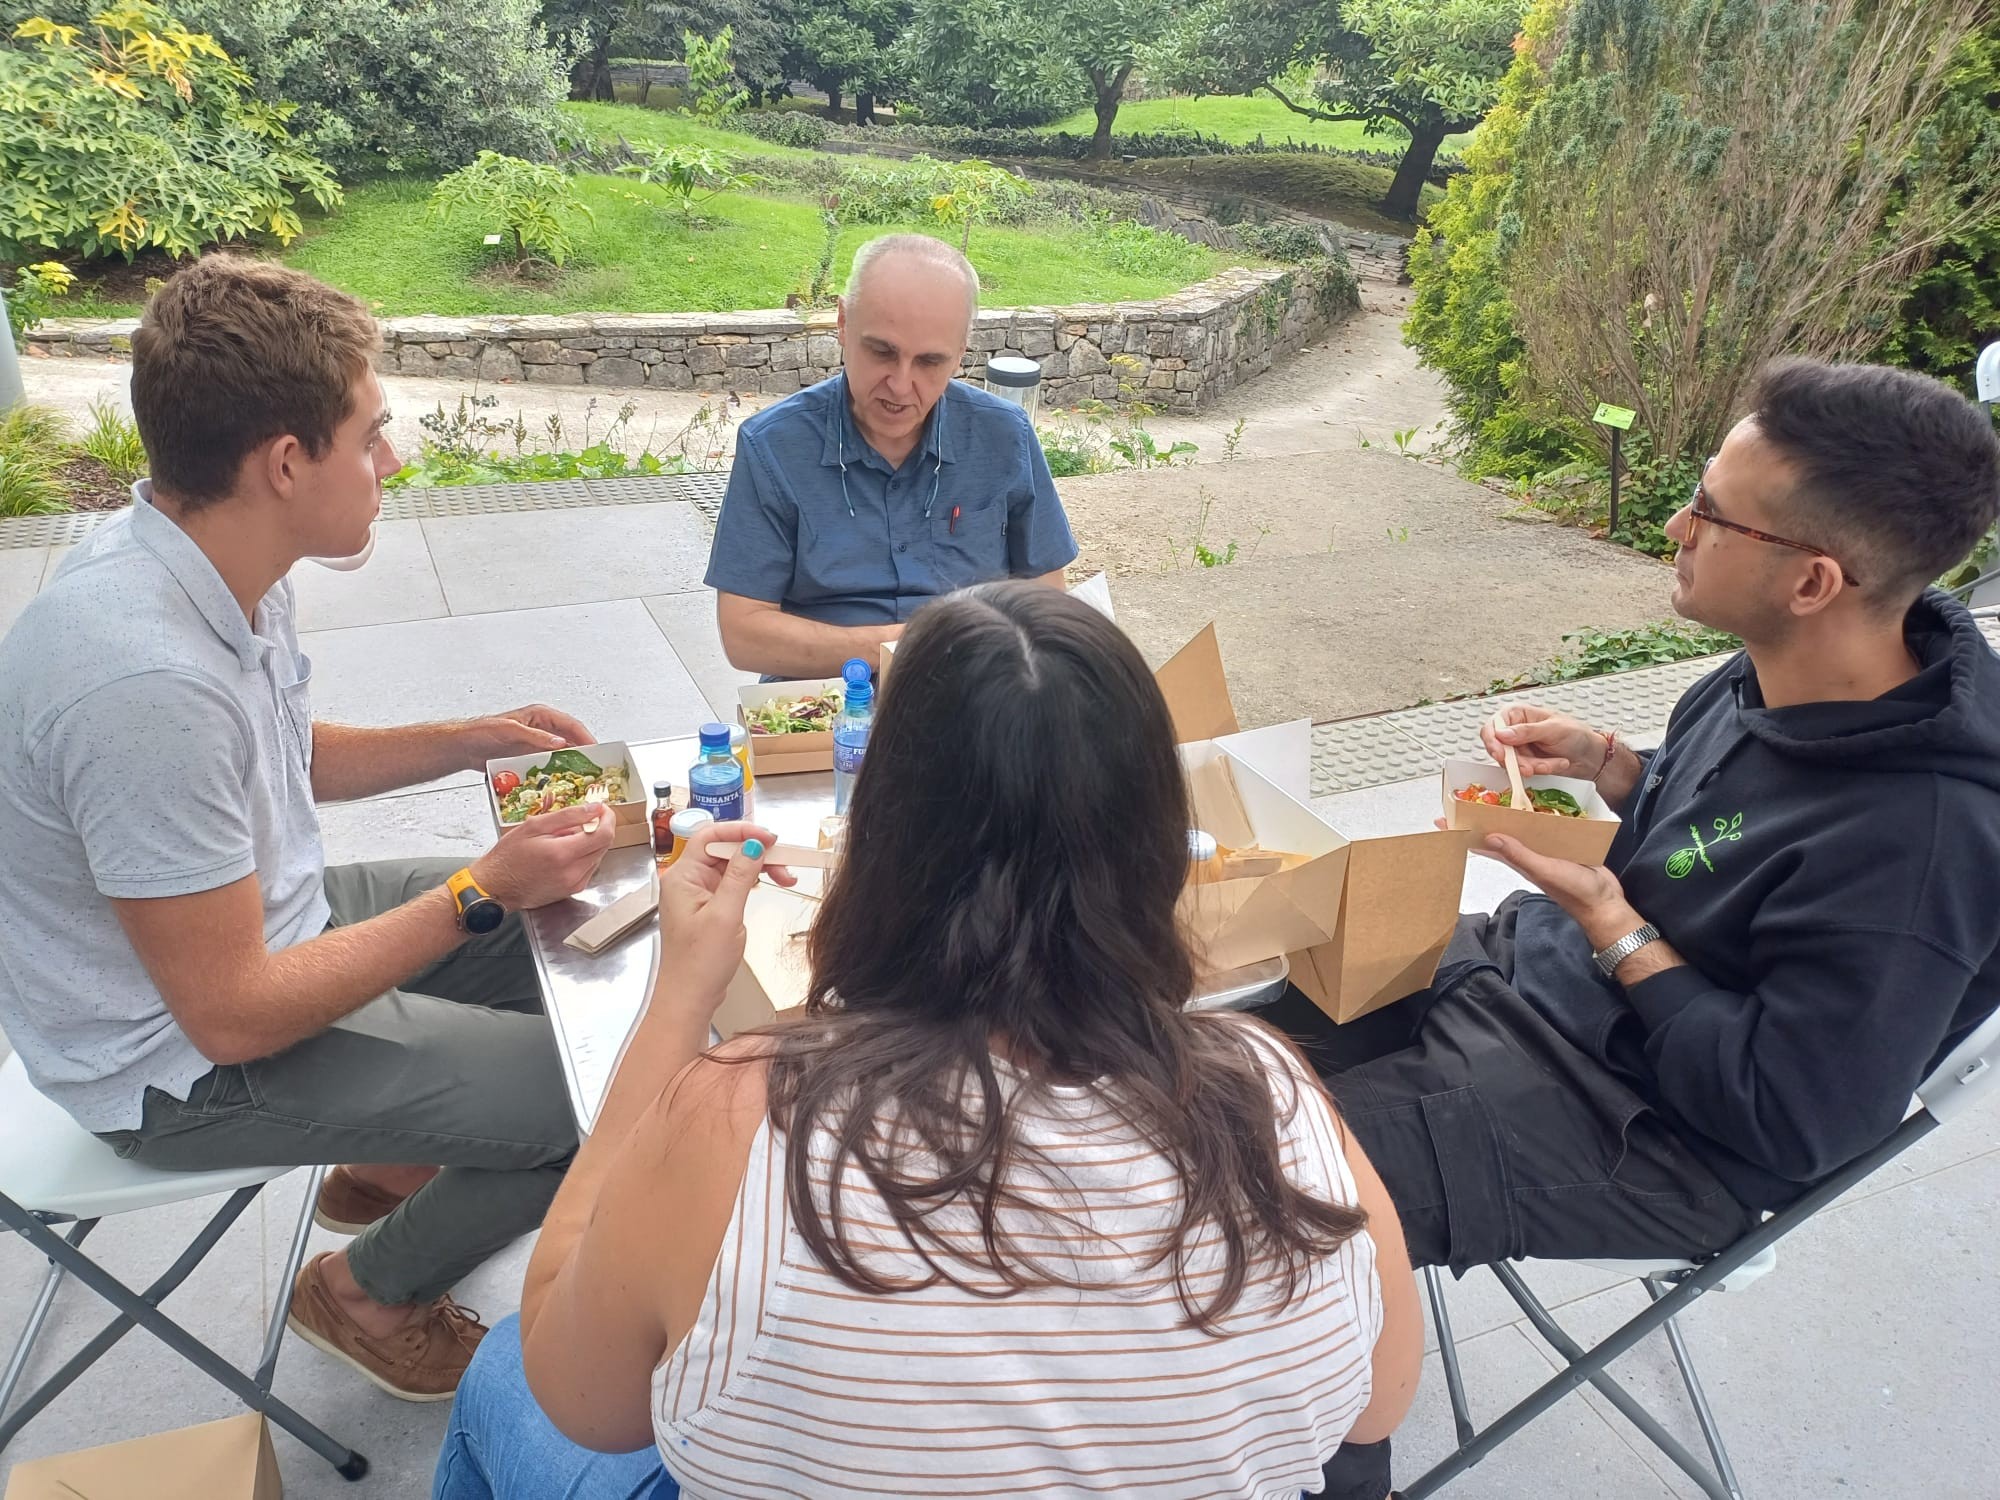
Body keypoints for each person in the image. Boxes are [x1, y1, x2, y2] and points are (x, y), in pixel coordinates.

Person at [432, 582, 1422, 1500]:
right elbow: (1376, 1406)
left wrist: (677, 1000)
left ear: (886, 833)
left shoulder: (738, 1109)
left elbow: (575, 1392)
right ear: (1159, 845)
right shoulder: (1276, 1088)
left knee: (498, 1375)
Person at [1256, 359, 2000, 1493]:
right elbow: (1728, 840)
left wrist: (1612, 924)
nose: (1674, 522)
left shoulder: (1925, 847)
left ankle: (1313, 1455)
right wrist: (1613, 769)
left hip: (1650, 1129)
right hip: (1532, 983)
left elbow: (1791, 1120)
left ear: (1810, 581)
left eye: (1707, 511)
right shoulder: (1781, 674)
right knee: (1205, 1051)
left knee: (1261, 1196)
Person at [0, 256, 617, 1401]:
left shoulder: (205, 553)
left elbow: (271, 754)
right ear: (287, 464)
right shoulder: (138, 679)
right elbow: (230, 1016)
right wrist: (479, 889)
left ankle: (382, 1161)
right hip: (174, 1063)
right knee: (610, 1096)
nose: (394, 460)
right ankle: (369, 1295)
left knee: (595, 935)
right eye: (372, 433)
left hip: (268, 925)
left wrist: (467, 737)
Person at [705, 234, 1079, 679]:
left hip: (977, 696)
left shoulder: (1004, 437)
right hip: (827, 702)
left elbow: (1047, 596)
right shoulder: (774, 446)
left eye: (929, 362)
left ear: (961, 353)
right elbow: (745, 635)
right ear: (842, 323)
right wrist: (915, 646)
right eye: (882, 352)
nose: (901, 386)